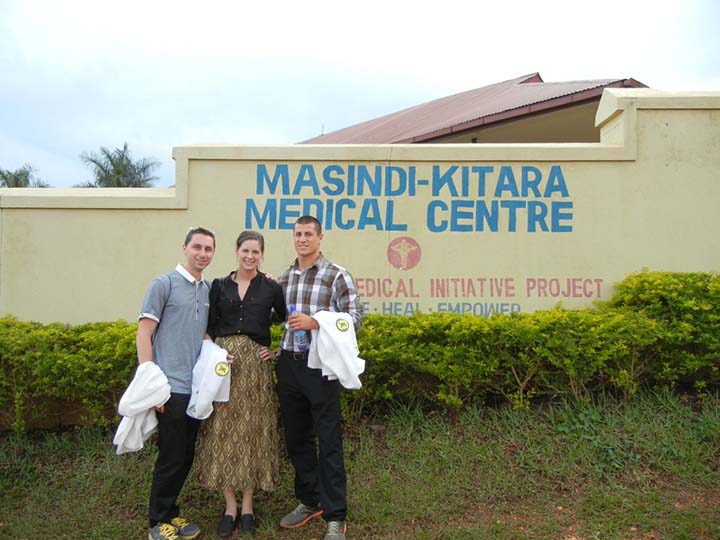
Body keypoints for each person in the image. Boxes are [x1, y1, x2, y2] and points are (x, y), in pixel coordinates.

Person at [276, 215, 364, 540]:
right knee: (297, 438)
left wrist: (317, 323)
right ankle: (309, 500)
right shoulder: (285, 277)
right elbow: (279, 320)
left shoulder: (336, 275)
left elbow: (355, 318)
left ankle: (335, 516)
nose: (302, 239)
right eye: (298, 234)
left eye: (308, 234)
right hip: (289, 364)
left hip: (321, 367)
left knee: (328, 440)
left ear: (320, 237)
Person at [195, 230, 287, 537]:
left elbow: (286, 321)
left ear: (262, 255)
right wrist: (216, 355)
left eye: (256, 252)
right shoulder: (219, 286)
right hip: (224, 365)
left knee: (251, 431)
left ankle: (247, 504)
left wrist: (274, 350)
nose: (250, 257)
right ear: (236, 251)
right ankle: (229, 505)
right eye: (245, 251)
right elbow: (208, 328)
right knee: (222, 429)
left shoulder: (272, 287)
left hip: (255, 369)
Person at [136, 227, 216, 540]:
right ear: (185, 247)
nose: (202, 253)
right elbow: (144, 333)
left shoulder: (207, 290)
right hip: (169, 389)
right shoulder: (163, 284)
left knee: (185, 455)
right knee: (170, 457)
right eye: (197, 246)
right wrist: (150, 385)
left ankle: (172, 514)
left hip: (195, 391)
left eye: (208, 249)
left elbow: (202, 334)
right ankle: (157, 521)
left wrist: (220, 358)